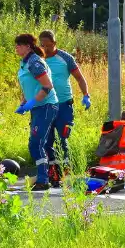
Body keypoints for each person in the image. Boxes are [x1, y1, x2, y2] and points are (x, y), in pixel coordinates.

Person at [38, 30, 91, 180]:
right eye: (42, 45)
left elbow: (79, 78)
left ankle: (66, 171)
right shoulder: (38, 59)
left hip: (64, 104)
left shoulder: (65, 58)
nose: (45, 49)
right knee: (47, 140)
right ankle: (53, 172)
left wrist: (86, 95)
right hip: (46, 105)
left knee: (63, 137)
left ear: (54, 43)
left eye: (48, 46)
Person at [13, 33, 58, 191]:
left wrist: (32, 102)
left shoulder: (34, 62)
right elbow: (30, 84)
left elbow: (47, 86)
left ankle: (43, 179)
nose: (16, 47)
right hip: (37, 106)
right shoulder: (24, 62)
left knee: (36, 143)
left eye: (19, 45)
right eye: (16, 45)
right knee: (39, 143)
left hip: (46, 105)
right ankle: (48, 177)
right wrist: (25, 102)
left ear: (28, 46)